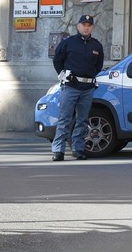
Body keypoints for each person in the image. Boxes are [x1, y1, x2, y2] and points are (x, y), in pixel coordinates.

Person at [51, 14, 105, 161]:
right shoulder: (68, 42)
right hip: (71, 86)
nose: (86, 28)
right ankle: (58, 150)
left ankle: (78, 148)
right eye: (84, 25)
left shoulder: (96, 45)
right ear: (78, 26)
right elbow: (57, 60)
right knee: (65, 118)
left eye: (89, 25)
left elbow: (98, 66)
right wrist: (62, 75)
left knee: (82, 120)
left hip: (88, 87)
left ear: (92, 27)